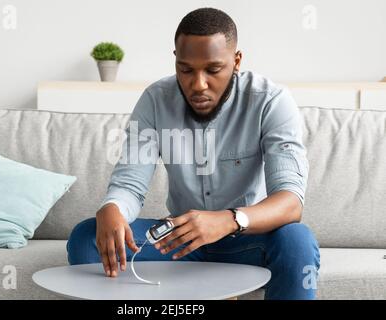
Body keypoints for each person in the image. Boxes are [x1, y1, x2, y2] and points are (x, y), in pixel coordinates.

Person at [67, 7, 320, 300]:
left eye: (213, 70)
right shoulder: (155, 100)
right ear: (175, 59)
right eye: (186, 70)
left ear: (236, 61)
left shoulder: (270, 101)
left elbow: (290, 202)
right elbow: (129, 186)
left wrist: (229, 220)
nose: (198, 84)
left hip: (248, 241)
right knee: (86, 238)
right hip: (181, 242)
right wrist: (112, 207)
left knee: (297, 240)